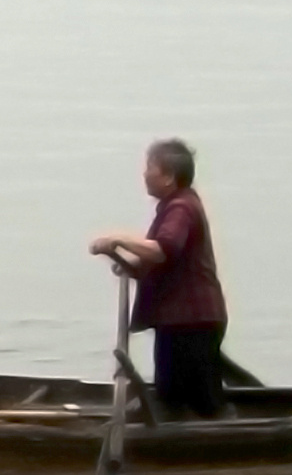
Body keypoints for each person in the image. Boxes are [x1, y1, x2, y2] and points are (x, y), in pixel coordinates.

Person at [84, 137, 228, 420]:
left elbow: (163, 249)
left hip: (191, 320)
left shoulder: (181, 208)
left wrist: (118, 239)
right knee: (175, 396)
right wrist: (127, 262)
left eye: (151, 167)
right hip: (183, 320)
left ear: (169, 177)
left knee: (197, 402)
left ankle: (216, 446)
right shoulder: (175, 206)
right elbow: (160, 260)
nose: (144, 173)